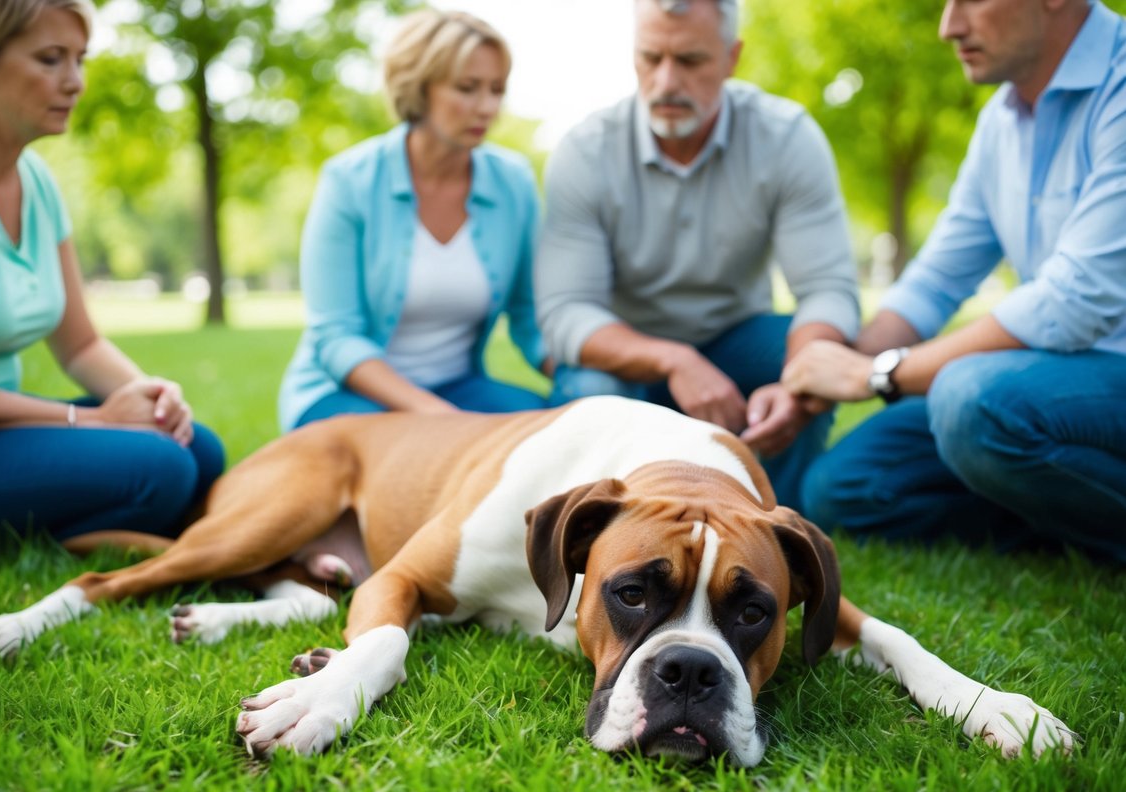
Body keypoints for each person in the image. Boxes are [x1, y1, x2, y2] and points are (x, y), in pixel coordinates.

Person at [782, 0, 1125, 563]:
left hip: (1103, 375)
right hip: (1042, 386)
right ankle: (1060, 519)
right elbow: (937, 279)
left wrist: (879, 374)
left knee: (970, 402)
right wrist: (822, 374)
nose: (949, 26)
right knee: (843, 486)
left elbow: (1076, 300)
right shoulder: (1001, 120)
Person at [0, 0, 224, 548]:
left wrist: (147, 396)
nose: (76, 82)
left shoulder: (37, 180)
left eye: (80, 59)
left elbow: (80, 344)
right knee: (164, 469)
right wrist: (91, 421)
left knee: (196, 447)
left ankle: (98, 524)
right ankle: (90, 533)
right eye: (51, 59)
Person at [534, 0, 859, 511]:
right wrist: (673, 359)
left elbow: (828, 291)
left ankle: (775, 517)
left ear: (732, 58)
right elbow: (566, 315)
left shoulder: (787, 137)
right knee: (590, 385)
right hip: (629, 356)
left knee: (813, 356)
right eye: (650, 57)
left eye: (690, 61)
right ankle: (603, 529)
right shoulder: (585, 151)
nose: (665, 82)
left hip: (736, 340)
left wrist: (799, 375)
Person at [277, 9, 547, 431]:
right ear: (419, 88)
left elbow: (531, 317)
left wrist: (585, 383)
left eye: (497, 89)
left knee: (553, 432)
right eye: (467, 88)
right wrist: (434, 416)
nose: (488, 107)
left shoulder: (513, 182)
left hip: (459, 389)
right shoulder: (349, 181)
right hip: (345, 395)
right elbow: (335, 338)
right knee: (415, 455)